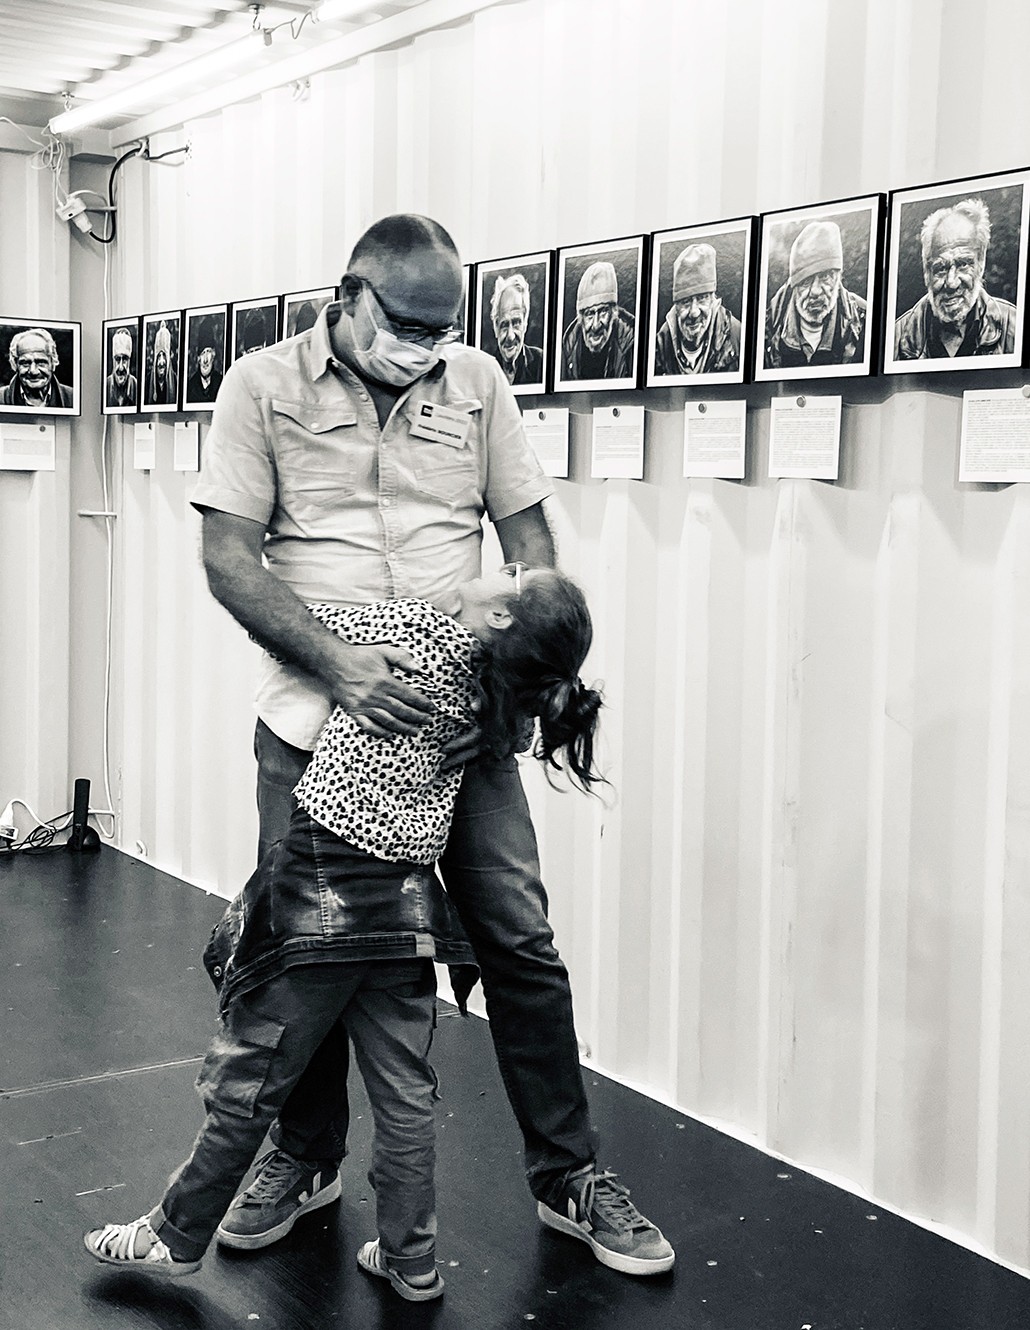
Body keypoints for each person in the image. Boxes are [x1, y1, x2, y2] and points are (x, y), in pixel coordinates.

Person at [188, 213, 674, 1277]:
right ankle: (305, 1156)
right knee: (305, 947)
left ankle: (569, 1174)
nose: (424, 346)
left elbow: (529, 541)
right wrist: (342, 666)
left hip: (465, 728)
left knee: (519, 941)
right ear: (349, 295)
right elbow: (227, 556)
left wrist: (508, 692)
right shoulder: (261, 386)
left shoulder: (478, 383)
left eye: (439, 329)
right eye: (406, 324)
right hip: (316, 721)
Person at [84, 563, 605, 1303]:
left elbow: (293, 635)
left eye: (512, 574)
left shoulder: (413, 631)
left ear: (499, 616)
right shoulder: (489, 701)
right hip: (408, 908)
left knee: (253, 1070)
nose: (500, 564)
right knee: (404, 1091)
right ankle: (412, 1260)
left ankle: (177, 1232)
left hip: (322, 887)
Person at [894, 197, 1017, 360]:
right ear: (927, 272)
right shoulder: (896, 337)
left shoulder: (1015, 326)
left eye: (963, 264)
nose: (951, 283)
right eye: (941, 268)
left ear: (981, 263)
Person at [763, 220, 867, 370]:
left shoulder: (865, 320)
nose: (816, 291)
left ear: (838, 277)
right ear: (794, 285)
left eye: (825, 277)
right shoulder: (768, 324)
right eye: (806, 281)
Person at [653, 243, 741, 376]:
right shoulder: (660, 345)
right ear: (676, 306)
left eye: (701, 298)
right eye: (685, 301)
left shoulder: (738, 338)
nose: (694, 313)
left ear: (713, 299)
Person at [560, 260, 636, 380]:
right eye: (589, 314)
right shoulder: (569, 347)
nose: (596, 325)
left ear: (614, 313)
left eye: (603, 312)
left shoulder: (632, 343)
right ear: (580, 318)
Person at [489, 273, 543, 385]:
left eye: (516, 323)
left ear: (525, 323)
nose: (510, 336)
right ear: (495, 327)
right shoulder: (485, 369)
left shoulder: (541, 362)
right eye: (504, 325)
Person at [1, 327, 73, 408]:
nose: (33, 371)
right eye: (25, 363)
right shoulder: (1, 398)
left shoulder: (73, 398)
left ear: (53, 362)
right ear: (15, 364)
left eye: (41, 362)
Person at [186, 316, 223, 404]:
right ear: (198, 358)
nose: (205, 360)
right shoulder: (190, 387)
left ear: (214, 354)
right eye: (202, 353)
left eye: (208, 352)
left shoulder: (221, 383)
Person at [146, 321, 178, 405]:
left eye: (164, 355)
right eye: (159, 356)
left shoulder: (175, 381)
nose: (161, 362)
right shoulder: (148, 381)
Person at [105, 327, 137, 408]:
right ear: (113, 361)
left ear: (129, 361)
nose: (121, 367)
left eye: (125, 359)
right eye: (118, 359)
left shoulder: (136, 386)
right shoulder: (106, 385)